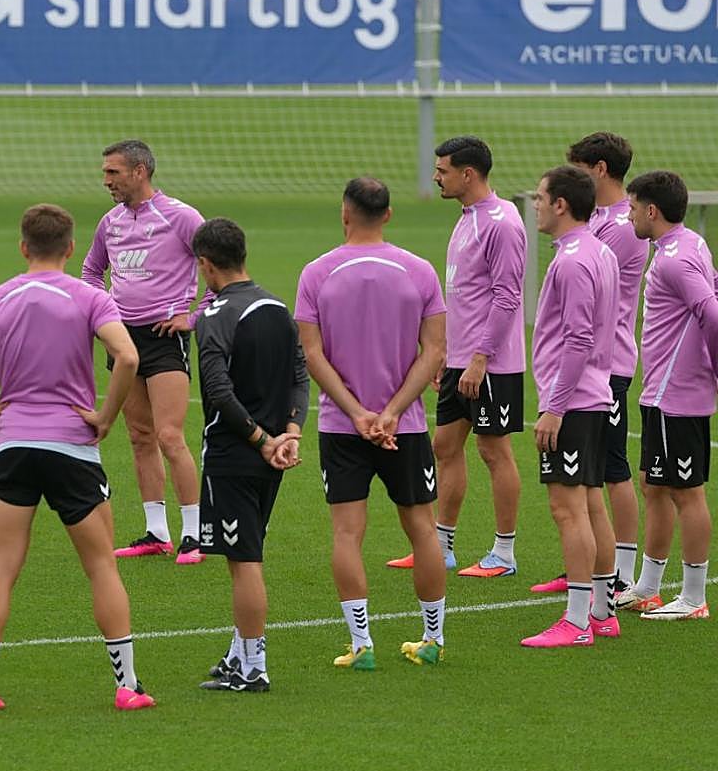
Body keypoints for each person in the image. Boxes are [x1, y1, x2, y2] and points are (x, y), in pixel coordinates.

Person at [0, 203, 156, 712]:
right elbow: (128, 356)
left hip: (13, 447)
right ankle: (127, 686)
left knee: (2, 567)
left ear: (23, 247)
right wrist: (106, 416)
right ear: (71, 248)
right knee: (101, 566)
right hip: (72, 448)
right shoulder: (90, 297)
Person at [296, 178, 448, 671]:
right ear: (388, 214)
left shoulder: (316, 273)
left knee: (347, 534)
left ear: (345, 213)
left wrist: (356, 412)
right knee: (422, 529)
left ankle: (361, 645)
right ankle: (432, 640)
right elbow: (435, 352)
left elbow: (312, 354)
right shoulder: (419, 271)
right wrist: (392, 412)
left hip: (342, 428)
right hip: (405, 427)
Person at [388, 136, 527, 578]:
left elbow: (507, 296)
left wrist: (481, 358)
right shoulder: (468, 218)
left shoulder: (502, 223)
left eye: (443, 170)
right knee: (444, 446)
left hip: (490, 363)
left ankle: (503, 554)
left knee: (493, 450)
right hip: (460, 360)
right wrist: (447, 353)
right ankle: (441, 545)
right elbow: (464, 295)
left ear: (468, 174)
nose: (436, 177)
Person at [190, 219, 308, 693]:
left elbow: (218, 391)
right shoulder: (277, 307)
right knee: (245, 553)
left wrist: (260, 440)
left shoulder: (214, 316)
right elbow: (299, 376)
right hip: (273, 454)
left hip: (234, 454)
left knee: (244, 560)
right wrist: (290, 433)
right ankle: (238, 652)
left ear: (205, 264)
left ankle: (253, 667)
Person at [82, 140, 212, 564]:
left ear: (139, 171)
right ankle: (157, 533)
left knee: (169, 436)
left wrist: (193, 317)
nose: (106, 181)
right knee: (139, 436)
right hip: (123, 339)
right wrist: (102, 316)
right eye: (105, 173)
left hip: (164, 338)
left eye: (113, 172)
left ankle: (194, 535)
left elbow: (220, 266)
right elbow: (91, 271)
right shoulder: (110, 223)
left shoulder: (181, 216)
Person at [532, 133, 649, 596]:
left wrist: (555, 404)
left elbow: (581, 326)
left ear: (598, 169)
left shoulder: (615, 229)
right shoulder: (599, 226)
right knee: (591, 485)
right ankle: (594, 579)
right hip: (593, 368)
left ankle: (616, 577)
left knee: (610, 471)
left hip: (597, 369)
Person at [522, 166, 621, 647]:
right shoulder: (598, 251)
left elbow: (578, 339)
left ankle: (577, 622)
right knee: (591, 504)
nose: (536, 205)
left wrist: (554, 407)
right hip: (595, 395)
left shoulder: (572, 261)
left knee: (568, 509)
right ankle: (602, 613)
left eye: (540, 198)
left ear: (561, 204)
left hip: (575, 402)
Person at [616, 171, 715, 621]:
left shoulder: (675, 260)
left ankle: (693, 598)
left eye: (633, 207)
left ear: (652, 210)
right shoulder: (687, 244)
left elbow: (711, 312)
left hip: (678, 395)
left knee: (686, 492)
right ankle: (648, 587)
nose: (630, 215)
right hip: (659, 391)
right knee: (654, 485)